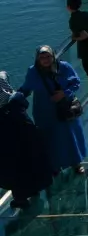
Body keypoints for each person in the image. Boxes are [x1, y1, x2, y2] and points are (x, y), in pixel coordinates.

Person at [19, 46, 87, 175]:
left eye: (48, 56)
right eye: (42, 57)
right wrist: (12, 99)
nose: (45, 60)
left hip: (64, 108)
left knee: (70, 137)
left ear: (53, 56)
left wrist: (64, 93)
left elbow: (76, 83)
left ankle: (76, 163)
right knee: (49, 139)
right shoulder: (33, 71)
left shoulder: (64, 67)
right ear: (37, 59)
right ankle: (54, 166)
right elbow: (26, 88)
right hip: (44, 111)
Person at [0, 72, 55, 209]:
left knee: (14, 171)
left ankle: (21, 199)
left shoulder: (5, 111)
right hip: (28, 143)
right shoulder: (17, 103)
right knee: (31, 165)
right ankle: (34, 190)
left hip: (10, 149)